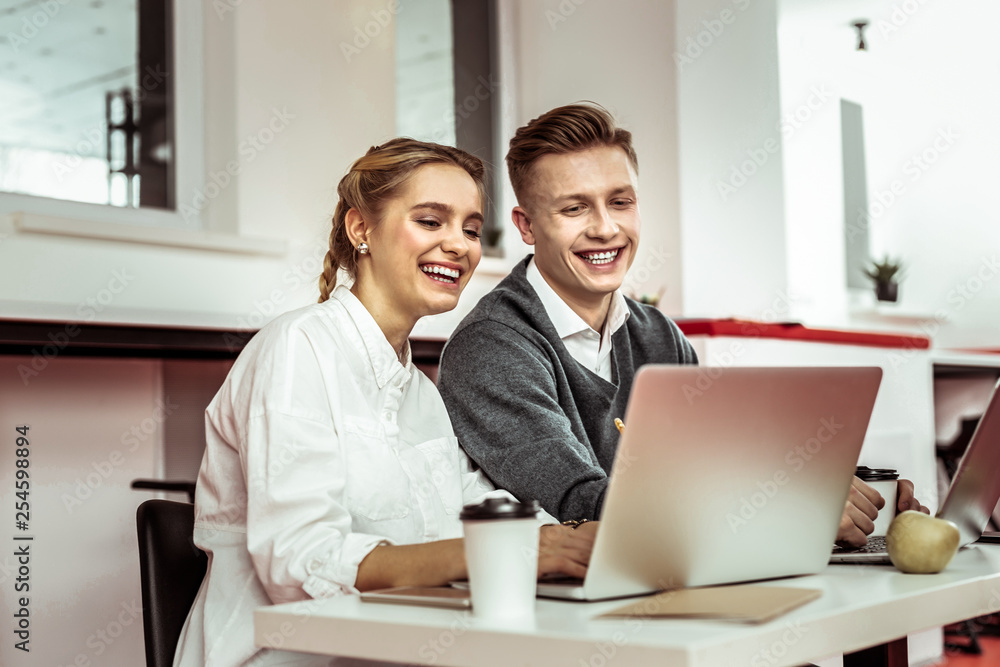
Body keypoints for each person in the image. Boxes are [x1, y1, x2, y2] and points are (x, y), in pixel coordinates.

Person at [174, 139, 596, 667]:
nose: (459, 245)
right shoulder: (297, 348)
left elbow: (477, 507)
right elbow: (301, 561)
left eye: (470, 228)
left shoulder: (418, 388)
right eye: (430, 221)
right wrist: (515, 554)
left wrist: (582, 539)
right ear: (361, 229)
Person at [436, 103, 927, 548]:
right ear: (525, 226)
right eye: (574, 208)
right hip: (577, 620)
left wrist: (841, 489)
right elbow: (584, 509)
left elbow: (714, 477)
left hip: (687, 589)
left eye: (621, 201)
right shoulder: (490, 348)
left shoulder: (659, 335)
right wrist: (796, 511)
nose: (606, 228)